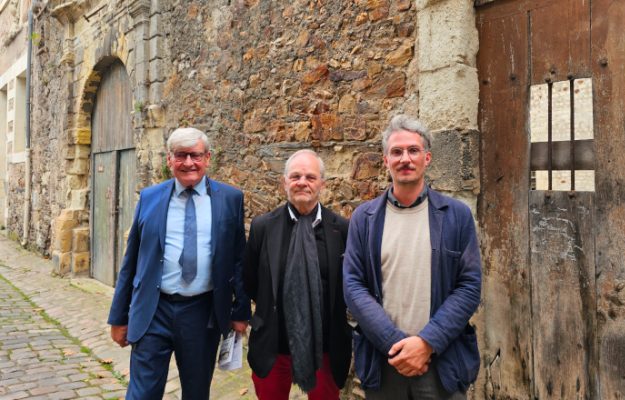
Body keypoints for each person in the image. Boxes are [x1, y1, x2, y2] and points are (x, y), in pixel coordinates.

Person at [343, 115, 482, 399]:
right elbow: (353, 285)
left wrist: (426, 343)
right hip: (386, 363)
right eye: (396, 152)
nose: (405, 159)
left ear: (427, 158)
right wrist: (395, 344)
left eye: (413, 151)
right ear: (386, 161)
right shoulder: (364, 219)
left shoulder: (456, 216)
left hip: (440, 362)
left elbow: (469, 287)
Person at [107, 127, 250, 399]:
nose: (188, 163)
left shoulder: (230, 199)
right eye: (180, 156)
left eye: (195, 155)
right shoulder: (149, 197)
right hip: (153, 310)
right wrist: (118, 317)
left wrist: (240, 311)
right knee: (142, 394)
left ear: (207, 158)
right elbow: (132, 260)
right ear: (169, 159)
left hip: (202, 312)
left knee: (196, 393)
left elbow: (238, 259)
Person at [243, 149, 352, 399]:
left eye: (310, 177)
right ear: (284, 182)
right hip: (273, 343)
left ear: (322, 184)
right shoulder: (263, 227)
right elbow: (250, 280)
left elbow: (347, 285)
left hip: (325, 347)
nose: (302, 182)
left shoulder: (341, 229)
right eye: (295, 176)